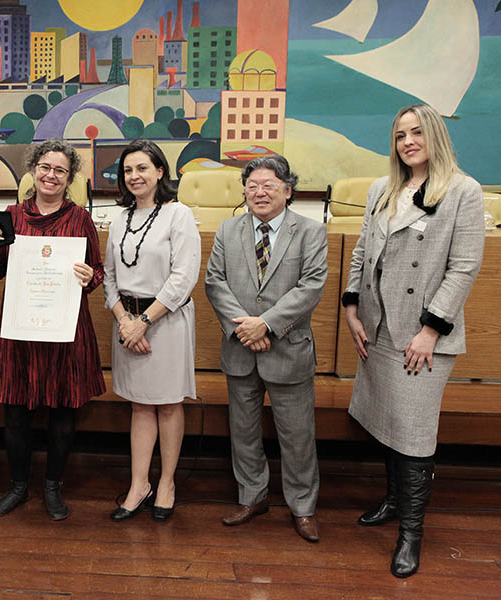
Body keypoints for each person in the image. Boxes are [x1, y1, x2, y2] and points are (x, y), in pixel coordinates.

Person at [342, 104, 485, 578]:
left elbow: (463, 267)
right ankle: (393, 500)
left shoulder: (462, 190)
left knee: (414, 431)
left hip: (421, 334)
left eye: (417, 132)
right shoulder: (381, 189)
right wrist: (352, 307)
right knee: (388, 420)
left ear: (435, 136)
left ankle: (411, 534)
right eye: (400, 134)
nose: (408, 141)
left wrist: (430, 330)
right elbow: (362, 251)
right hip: (379, 326)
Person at [205, 154, 328, 542]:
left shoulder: (310, 231)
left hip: (288, 348)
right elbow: (214, 282)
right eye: (252, 186)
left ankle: (303, 507)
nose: (259, 192)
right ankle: (252, 497)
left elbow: (311, 286)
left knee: (297, 436)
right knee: (243, 432)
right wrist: (245, 328)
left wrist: (266, 324)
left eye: (269, 186)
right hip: (240, 347)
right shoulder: (228, 229)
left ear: (287, 191)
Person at [0, 139, 105, 521]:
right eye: (45, 168)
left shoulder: (80, 218)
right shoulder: (10, 216)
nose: (51, 175)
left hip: (65, 331)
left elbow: (98, 273)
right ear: (33, 170)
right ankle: (18, 486)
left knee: (62, 412)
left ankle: (53, 486)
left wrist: (89, 276)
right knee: (15, 412)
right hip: (19, 330)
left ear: (69, 178)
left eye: (60, 171)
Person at [103, 140, 201, 523]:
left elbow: (183, 277)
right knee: (140, 404)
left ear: (160, 171)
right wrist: (125, 321)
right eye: (128, 170)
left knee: (168, 404)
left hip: (166, 322)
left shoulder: (179, 215)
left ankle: (167, 484)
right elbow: (109, 278)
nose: (134, 176)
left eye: (142, 168)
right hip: (126, 322)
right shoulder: (118, 220)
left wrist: (143, 322)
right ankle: (139, 484)